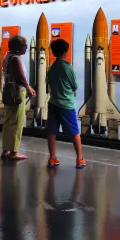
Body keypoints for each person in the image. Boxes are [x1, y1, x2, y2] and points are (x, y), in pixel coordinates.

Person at [45, 38, 86, 169]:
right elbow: (75, 85)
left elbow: (49, 84)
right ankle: (79, 159)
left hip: (53, 103)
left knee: (52, 131)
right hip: (66, 105)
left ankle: (52, 158)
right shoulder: (68, 68)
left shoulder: (51, 68)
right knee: (74, 132)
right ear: (65, 51)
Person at [1, 35, 35, 160]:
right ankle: (14, 152)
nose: (26, 48)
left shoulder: (7, 56)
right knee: (17, 122)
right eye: (24, 46)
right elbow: (21, 77)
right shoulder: (15, 59)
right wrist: (28, 88)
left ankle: (5, 149)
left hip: (9, 92)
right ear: (18, 47)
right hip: (17, 93)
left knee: (9, 121)